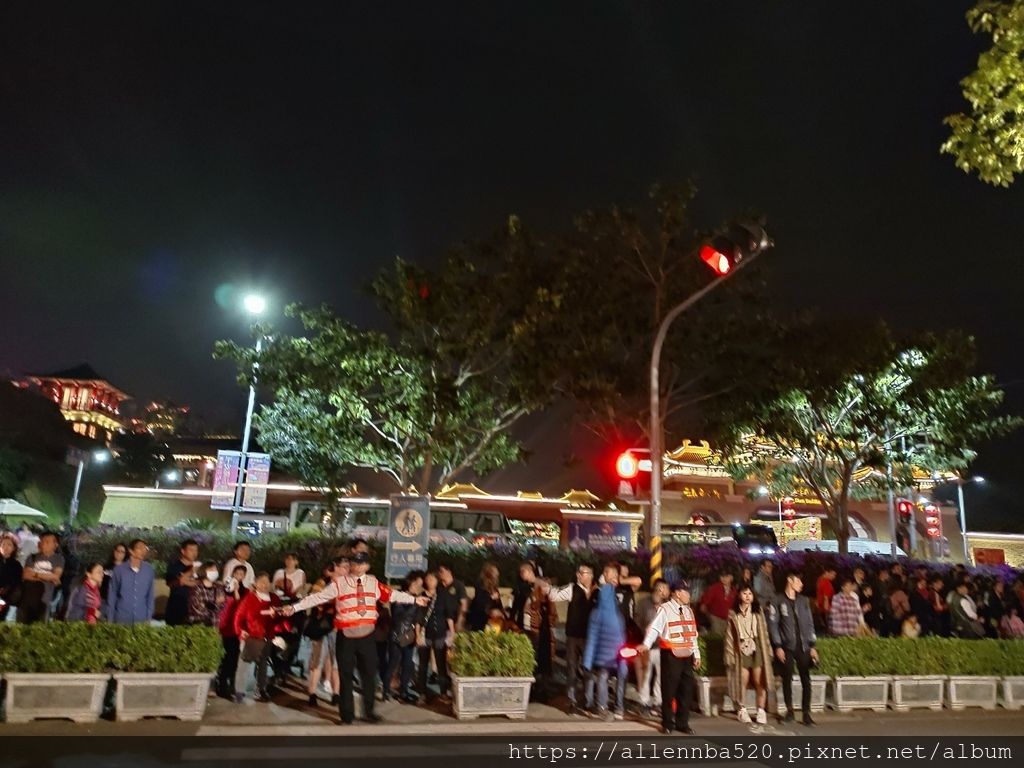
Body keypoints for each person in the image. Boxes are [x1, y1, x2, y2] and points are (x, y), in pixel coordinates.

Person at [281, 551, 426, 724]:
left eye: (362, 563)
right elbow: (318, 598)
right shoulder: (339, 583)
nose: (358, 566)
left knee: (369, 675)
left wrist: (415, 600)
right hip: (346, 636)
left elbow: (393, 595)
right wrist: (294, 607)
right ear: (351, 565)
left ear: (367, 566)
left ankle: (368, 712)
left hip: (367, 636)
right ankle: (346, 715)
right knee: (345, 676)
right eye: (355, 563)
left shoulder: (373, 583)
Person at [640, 579, 700, 735]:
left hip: (686, 654)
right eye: (686, 591)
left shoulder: (689, 610)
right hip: (670, 654)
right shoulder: (665, 609)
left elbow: (693, 634)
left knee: (686, 690)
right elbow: (654, 628)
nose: (689, 595)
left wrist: (697, 654)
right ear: (678, 593)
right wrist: (646, 644)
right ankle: (667, 723)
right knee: (669, 689)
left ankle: (682, 723)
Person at [539, 563, 596, 714]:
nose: (579, 575)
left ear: (591, 575)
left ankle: (588, 702)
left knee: (588, 670)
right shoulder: (572, 589)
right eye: (580, 572)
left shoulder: (597, 591)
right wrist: (546, 587)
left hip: (589, 637)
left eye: (583, 573)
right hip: (573, 637)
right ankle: (572, 702)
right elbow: (554, 595)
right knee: (571, 669)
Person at [767, 571, 818, 726]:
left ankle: (806, 713)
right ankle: (790, 711)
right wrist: (778, 646)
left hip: (803, 646)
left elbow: (810, 623)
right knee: (787, 678)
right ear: (790, 580)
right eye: (798, 581)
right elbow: (773, 625)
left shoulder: (804, 601)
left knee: (806, 679)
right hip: (786, 646)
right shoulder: (777, 600)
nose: (801, 584)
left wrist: (812, 645)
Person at [725, 585, 774, 725]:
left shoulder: (758, 612)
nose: (747, 596)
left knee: (760, 680)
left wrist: (768, 650)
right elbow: (729, 636)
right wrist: (729, 655)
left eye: (750, 594)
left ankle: (761, 710)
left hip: (757, 646)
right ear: (739, 595)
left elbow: (764, 633)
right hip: (740, 648)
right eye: (744, 593)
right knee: (743, 680)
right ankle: (742, 709)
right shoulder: (733, 613)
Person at [582, 569, 627, 721]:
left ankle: (602, 707)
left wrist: (587, 661)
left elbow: (592, 639)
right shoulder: (618, 615)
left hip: (604, 656)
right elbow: (622, 636)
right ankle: (618, 707)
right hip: (619, 654)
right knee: (621, 676)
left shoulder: (595, 614)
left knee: (603, 676)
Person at [233, 572, 281, 702]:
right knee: (244, 663)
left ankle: (261, 689)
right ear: (256, 584)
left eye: (267, 582)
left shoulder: (274, 598)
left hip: (267, 636)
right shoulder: (249, 598)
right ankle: (239, 691)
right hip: (252, 636)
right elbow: (238, 616)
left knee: (263, 663)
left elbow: (279, 616)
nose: (265, 585)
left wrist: (276, 615)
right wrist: (241, 630)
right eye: (262, 582)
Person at [515, 561, 558, 701]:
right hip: (538, 629)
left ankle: (540, 689)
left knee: (541, 660)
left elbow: (547, 611)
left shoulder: (539, 589)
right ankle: (537, 689)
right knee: (538, 659)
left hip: (541, 630)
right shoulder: (530, 590)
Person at [416, 570, 457, 703]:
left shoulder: (443, 595)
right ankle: (422, 693)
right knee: (423, 665)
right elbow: (418, 618)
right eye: (427, 579)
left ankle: (443, 693)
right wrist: (417, 635)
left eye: (432, 579)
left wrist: (452, 631)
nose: (429, 581)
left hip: (440, 633)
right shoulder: (421, 596)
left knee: (441, 664)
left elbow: (449, 614)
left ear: (437, 580)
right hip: (425, 634)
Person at [385, 570, 424, 703]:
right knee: (393, 663)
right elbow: (398, 615)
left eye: (420, 585)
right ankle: (386, 691)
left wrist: (418, 634)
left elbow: (417, 619)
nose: (418, 587)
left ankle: (404, 691)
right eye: (416, 584)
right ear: (410, 582)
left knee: (407, 664)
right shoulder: (398, 595)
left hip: (409, 635)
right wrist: (415, 603)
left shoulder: (417, 598)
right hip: (396, 634)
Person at [304, 577, 340, 707]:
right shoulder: (320, 588)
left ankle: (336, 694)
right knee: (317, 663)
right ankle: (312, 693)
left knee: (335, 663)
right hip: (320, 630)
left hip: (334, 630)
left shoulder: (338, 593)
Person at [635, 578, 668, 718]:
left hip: (662, 646)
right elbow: (637, 621)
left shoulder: (667, 606)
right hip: (647, 646)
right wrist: (644, 631)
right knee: (646, 675)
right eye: (660, 588)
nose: (662, 591)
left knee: (661, 676)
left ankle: (657, 703)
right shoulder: (644, 603)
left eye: (665, 588)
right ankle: (644, 702)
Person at [216, 564, 249, 699]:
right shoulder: (224, 588)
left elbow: (241, 604)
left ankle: (232, 685)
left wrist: (236, 590)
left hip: (235, 627)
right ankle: (222, 684)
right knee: (224, 656)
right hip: (223, 625)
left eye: (241, 574)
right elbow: (218, 602)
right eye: (236, 573)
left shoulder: (245, 591)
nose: (238, 576)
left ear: (244, 577)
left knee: (234, 656)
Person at [18, 531, 65, 624]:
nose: (43, 544)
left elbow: (56, 577)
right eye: (42, 541)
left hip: (45, 599)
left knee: (40, 626)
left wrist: (34, 574)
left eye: (47, 542)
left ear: (55, 545)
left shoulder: (58, 559)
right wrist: (48, 576)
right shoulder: (32, 557)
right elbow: (25, 575)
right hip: (27, 598)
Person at [105, 539, 155, 625]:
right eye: (140, 548)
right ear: (131, 550)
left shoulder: (149, 570)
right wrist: (110, 619)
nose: (143, 550)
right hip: (121, 618)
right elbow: (112, 595)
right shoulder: (119, 570)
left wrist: (149, 617)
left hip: (141, 619)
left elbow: (150, 596)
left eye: (145, 548)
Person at [164, 539, 199, 626]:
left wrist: (184, 581)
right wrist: (190, 572)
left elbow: (201, 583)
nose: (194, 553)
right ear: (183, 551)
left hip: (195, 610)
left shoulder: (199, 567)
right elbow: (171, 583)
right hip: (176, 608)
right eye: (191, 550)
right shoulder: (174, 566)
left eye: (196, 550)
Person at [466, 562, 502, 632]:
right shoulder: (480, 583)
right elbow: (479, 600)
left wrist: (500, 611)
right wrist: (491, 597)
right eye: (495, 572)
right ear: (489, 572)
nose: (497, 574)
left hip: (491, 618)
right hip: (479, 615)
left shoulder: (494, 587)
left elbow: (498, 602)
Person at [188, 561, 227, 626]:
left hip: (215, 623)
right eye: (211, 570)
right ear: (204, 571)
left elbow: (222, 606)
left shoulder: (219, 588)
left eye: (215, 570)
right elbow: (197, 608)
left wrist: (210, 605)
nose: (215, 572)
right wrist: (215, 602)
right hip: (199, 624)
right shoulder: (197, 588)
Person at [437, 563, 468, 631]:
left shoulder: (458, 585)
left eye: (441, 571)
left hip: (454, 621)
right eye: (438, 571)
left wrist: (460, 621)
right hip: (440, 622)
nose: (439, 573)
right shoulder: (438, 586)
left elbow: (464, 604)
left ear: (449, 571)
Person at [0, 533, 23, 622]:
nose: (5, 547)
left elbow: (16, 581)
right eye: (3, 544)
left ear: (14, 548)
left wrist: (5, 589)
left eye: (9, 544)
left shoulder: (16, 565)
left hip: (6, 596)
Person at [814, 567, 837, 632]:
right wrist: (827, 610)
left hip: (820, 606)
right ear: (826, 572)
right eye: (832, 574)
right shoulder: (826, 582)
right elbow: (826, 597)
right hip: (825, 607)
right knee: (827, 626)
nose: (834, 576)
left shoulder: (819, 579)